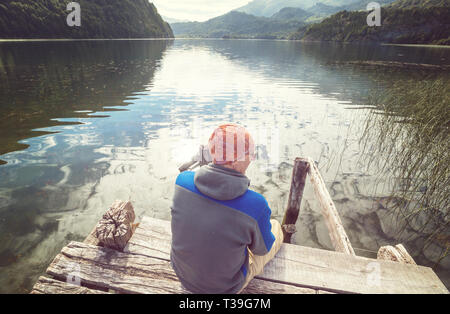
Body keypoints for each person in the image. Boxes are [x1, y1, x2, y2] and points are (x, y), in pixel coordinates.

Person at [170, 123, 283, 294]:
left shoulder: (181, 182)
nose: (252, 158)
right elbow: (262, 250)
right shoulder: (256, 205)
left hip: (182, 274)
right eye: (250, 154)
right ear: (237, 160)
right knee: (276, 227)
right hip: (224, 288)